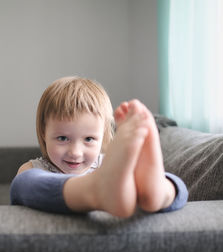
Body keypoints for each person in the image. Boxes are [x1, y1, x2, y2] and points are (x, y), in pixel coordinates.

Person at [10, 76, 188, 218]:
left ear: (103, 135)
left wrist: (146, 182)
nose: (75, 152)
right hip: (93, 186)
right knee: (23, 181)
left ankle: (155, 194)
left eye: (88, 139)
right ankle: (96, 190)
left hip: (114, 180)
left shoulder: (110, 165)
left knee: (164, 180)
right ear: (43, 132)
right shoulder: (35, 168)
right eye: (63, 138)